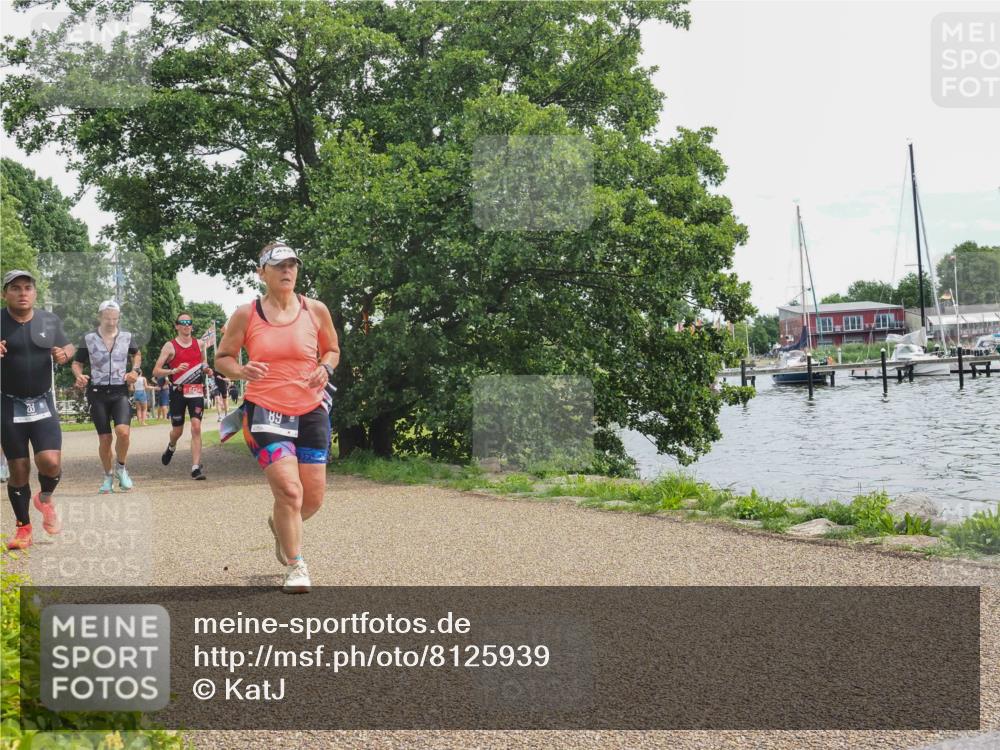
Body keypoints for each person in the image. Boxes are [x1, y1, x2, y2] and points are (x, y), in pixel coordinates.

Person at [214, 242, 339, 593]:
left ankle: (281, 524)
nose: (287, 271)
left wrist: (325, 367)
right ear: (261, 273)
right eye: (278, 265)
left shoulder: (315, 310)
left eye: (292, 265)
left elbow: (332, 349)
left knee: (312, 498)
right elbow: (222, 357)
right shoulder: (246, 314)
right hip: (265, 411)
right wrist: (240, 370)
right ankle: (296, 564)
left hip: (311, 409)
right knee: (289, 490)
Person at [0, 270, 75, 550]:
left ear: (35, 293)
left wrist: (65, 353)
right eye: (15, 288)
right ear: (5, 293)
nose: (22, 293)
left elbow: (68, 345)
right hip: (9, 404)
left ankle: (44, 499)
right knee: (18, 469)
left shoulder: (48, 320)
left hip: (42, 402)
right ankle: (23, 529)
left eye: (27, 288)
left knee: (51, 462)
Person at [71, 300, 142, 493]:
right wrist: (79, 375)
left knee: (123, 432)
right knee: (105, 439)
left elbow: (137, 355)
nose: (111, 322)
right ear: (100, 317)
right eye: (108, 318)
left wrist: (135, 371)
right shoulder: (89, 338)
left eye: (115, 318)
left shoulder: (126, 337)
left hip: (120, 390)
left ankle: (121, 467)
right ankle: (108, 476)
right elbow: (77, 363)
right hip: (97, 392)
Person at [153, 312, 208, 479]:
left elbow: (204, 363)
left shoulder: (200, 344)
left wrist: (207, 369)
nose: (186, 325)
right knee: (177, 431)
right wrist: (173, 371)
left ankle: (195, 467)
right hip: (177, 392)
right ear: (177, 326)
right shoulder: (169, 346)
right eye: (183, 322)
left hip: (196, 390)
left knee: (196, 427)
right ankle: (171, 445)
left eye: (189, 322)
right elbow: (156, 371)